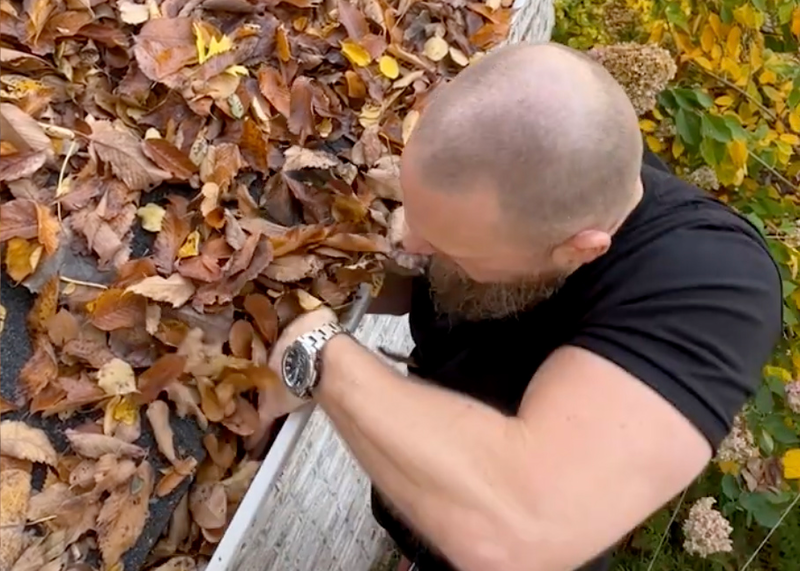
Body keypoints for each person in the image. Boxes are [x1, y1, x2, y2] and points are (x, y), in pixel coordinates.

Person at [266, 42, 783, 571]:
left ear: (577, 250)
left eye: (449, 248)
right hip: (431, 524)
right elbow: (429, 286)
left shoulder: (714, 290)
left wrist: (320, 356)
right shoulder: (527, 151)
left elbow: (519, 530)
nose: (411, 242)